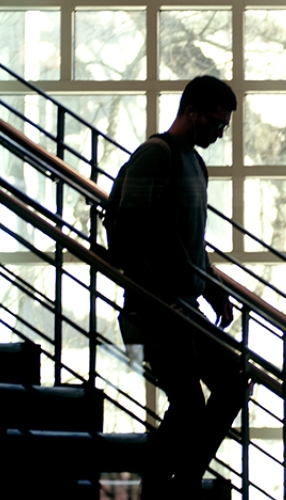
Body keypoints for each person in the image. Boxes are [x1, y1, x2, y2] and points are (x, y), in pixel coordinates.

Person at [104, 75, 245, 498]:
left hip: (181, 308)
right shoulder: (156, 155)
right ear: (192, 113)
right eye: (216, 124)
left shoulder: (195, 164)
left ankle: (176, 481)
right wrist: (153, 287)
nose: (220, 133)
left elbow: (191, 242)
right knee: (189, 406)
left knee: (230, 382)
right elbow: (124, 227)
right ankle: (156, 487)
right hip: (153, 311)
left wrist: (212, 286)